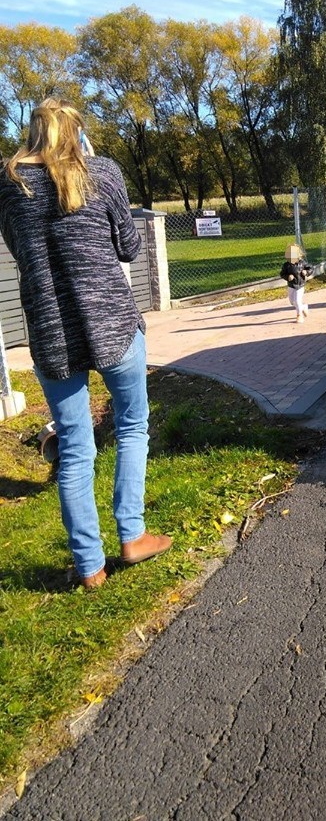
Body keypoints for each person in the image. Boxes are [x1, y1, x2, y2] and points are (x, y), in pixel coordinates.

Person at [0, 98, 171, 590]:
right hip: (113, 325)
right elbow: (129, 247)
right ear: (76, 132)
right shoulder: (103, 172)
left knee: (75, 448)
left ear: (32, 133)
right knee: (133, 423)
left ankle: (89, 566)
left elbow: (18, 251)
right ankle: (133, 535)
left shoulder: (9, 185)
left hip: (52, 335)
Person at [280, 243, 314, 324]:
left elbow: (311, 268)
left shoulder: (302, 263)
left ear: (298, 255)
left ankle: (299, 315)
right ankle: (304, 307)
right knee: (292, 302)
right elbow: (282, 274)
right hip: (291, 286)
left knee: (297, 301)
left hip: (300, 285)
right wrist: (288, 277)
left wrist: (306, 272)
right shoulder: (286, 265)